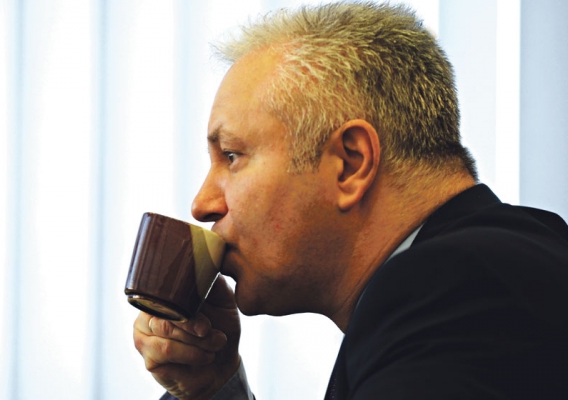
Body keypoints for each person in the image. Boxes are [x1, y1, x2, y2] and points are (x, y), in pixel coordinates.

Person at [133, 2, 568, 399]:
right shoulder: (494, 271)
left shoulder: (460, 288)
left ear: (350, 164)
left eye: (232, 155)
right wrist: (213, 389)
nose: (202, 204)